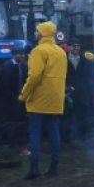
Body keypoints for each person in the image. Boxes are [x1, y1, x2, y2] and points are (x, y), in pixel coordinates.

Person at [18, 21, 67, 179]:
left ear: (42, 33)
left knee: (35, 133)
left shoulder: (38, 51)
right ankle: (54, 167)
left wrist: (23, 95)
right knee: (54, 132)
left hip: (39, 98)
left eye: (36, 31)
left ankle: (34, 168)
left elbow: (34, 76)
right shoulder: (60, 52)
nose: (34, 34)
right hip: (56, 97)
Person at [0, 46, 27, 144]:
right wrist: (13, 96)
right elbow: (4, 84)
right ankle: (7, 140)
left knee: (15, 120)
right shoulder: (8, 67)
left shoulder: (20, 66)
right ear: (14, 55)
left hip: (17, 97)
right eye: (19, 54)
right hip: (9, 99)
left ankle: (13, 140)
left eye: (22, 54)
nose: (21, 56)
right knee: (9, 120)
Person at [73, 50, 94, 141]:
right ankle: (91, 132)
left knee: (83, 114)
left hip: (84, 93)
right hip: (90, 93)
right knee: (91, 113)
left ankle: (82, 133)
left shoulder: (82, 65)